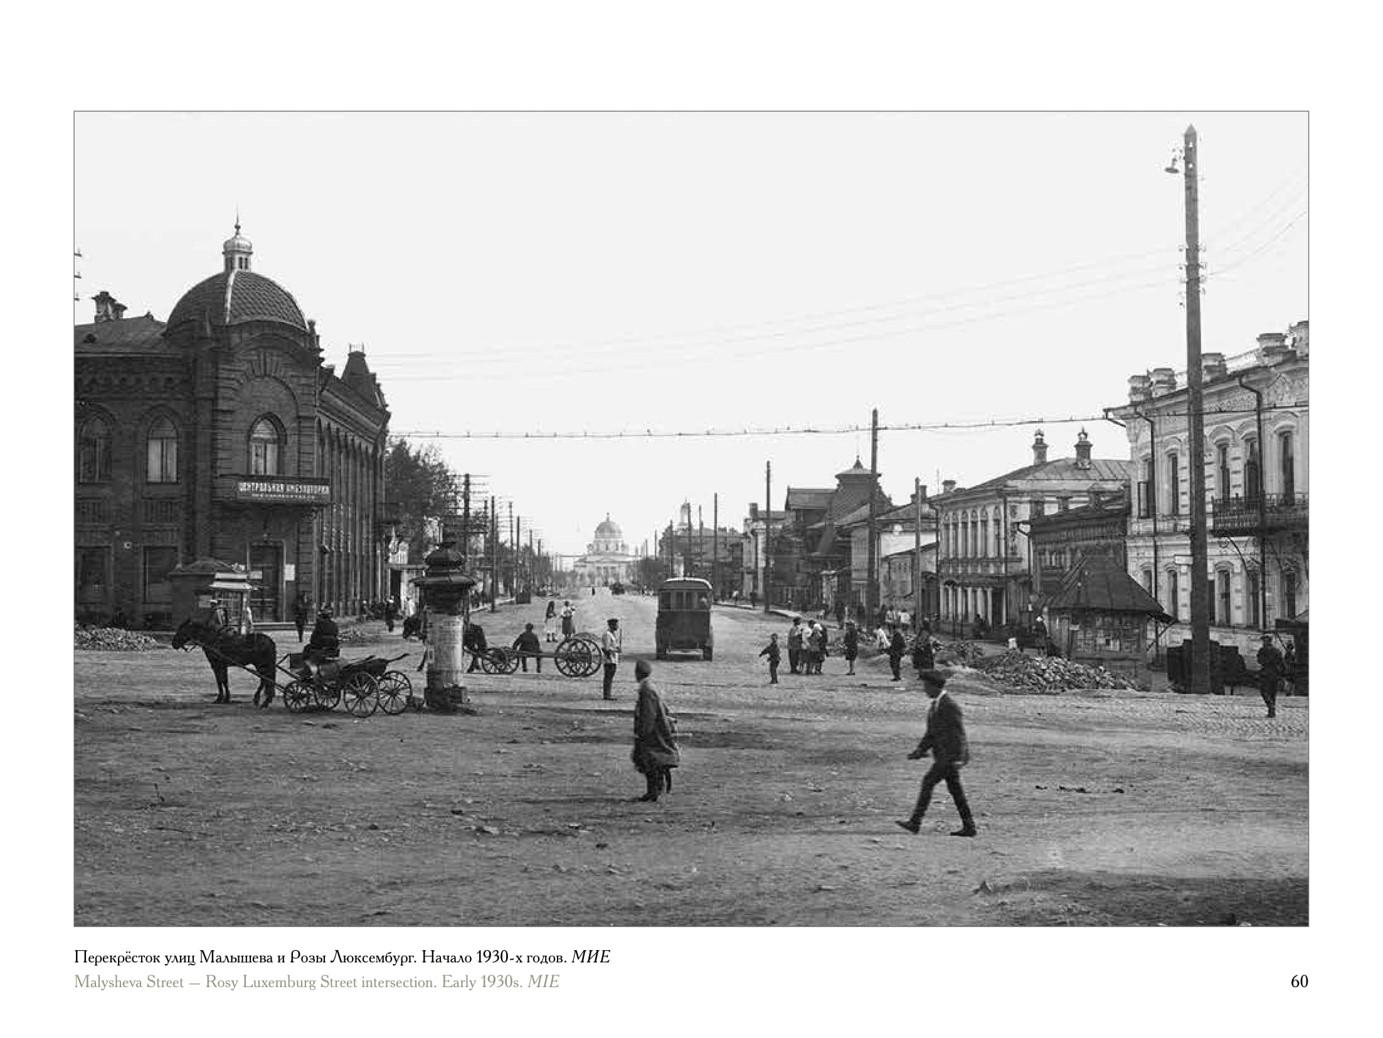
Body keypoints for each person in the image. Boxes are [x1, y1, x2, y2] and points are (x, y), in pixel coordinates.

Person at [897, 669, 976, 837]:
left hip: (950, 757)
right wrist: (920, 750)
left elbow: (959, 734)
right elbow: (931, 733)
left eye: (926, 686)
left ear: (934, 687)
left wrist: (958, 758)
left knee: (928, 783)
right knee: (956, 791)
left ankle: (915, 822)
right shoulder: (937, 705)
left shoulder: (949, 706)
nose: (924, 690)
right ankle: (969, 826)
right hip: (944, 756)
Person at [631, 660, 679, 802]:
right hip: (657, 728)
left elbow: (648, 714)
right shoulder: (650, 686)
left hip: (653, 731)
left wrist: (643, 733)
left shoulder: (646, 689)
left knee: (650, 761)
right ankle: (655, 789)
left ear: (638, 673)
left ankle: (654, 791)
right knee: (650, 761)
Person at [1256, 634, 1283, 719]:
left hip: (1266, 673)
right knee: (1272, 693)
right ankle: (1272, 711)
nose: (1263, 642)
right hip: (1275, 674)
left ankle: (1271, 707)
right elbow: (1281, 662)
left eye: (1264, 640)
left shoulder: (1262, 650)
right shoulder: (1277, 650)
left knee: (1264, 691)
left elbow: (1260, 661)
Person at [600, 618, 622, 700]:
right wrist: (616, 650)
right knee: (608, 678)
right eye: (616, 625)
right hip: (609, 659)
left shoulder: (612, 634)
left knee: (609, 678)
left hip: (613, 659)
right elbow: (606, 648)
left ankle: (608, 694)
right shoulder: (607, 635)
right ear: (611, 625)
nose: (617, 627)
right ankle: (607, 695)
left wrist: (617, 648)